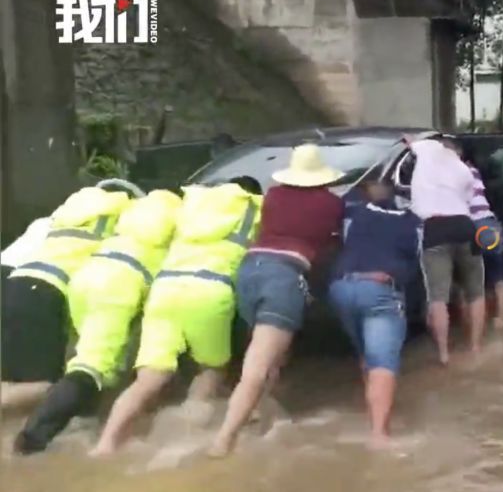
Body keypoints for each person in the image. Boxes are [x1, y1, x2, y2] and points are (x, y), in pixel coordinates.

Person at [90, 178, 263, 457]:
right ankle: (185, 439)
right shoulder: (253, 209)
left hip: (164, 291)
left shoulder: (192, 207)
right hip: (208, 291)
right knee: (212, 368)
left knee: (148, 380)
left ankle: (106, 444)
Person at [13, 190, 183, 455]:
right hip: (117, 286)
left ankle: (85, 420)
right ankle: (31, 441)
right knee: (89, 369)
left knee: (92, 362)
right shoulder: (178, 222)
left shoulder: (124, 219)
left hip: (84, 279)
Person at [208, 145, 344, 458]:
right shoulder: (331, 204)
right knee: (257, 367)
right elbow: (328, 245)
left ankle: (255, 415)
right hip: (284, 276)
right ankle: (223, 441)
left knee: (267, 355)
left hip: (249, 271)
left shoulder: (273, 196)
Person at [1, 187, 131, 411]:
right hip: (40, 288)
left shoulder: (55, 219)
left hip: (10, 279)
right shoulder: (122, 226)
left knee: (13, 378)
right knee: (44, 386)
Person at [327, 180, 420, 446]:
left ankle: (368, 409)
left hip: (341, 286)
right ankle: (379, 434)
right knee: (382, 361)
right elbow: (417, 262)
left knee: (365, 353)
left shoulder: (353, 213)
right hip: (379, 288)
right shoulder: (411, 221)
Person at [408, 135, 485, 365]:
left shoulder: (427, 147)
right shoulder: (464, 170)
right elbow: (467, 200)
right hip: (464, 225)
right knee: (476, 291)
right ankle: (475, 347)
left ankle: (443, 354)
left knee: (437, 297)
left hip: (435, 227)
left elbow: (407, 141)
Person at [466, 160, 503, 329]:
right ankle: (502, 317)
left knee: (470, 276)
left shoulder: (450, 172)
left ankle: (472, 322)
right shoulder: (474, 170)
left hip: (471, 225)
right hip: (489, 224)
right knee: (497, 272)